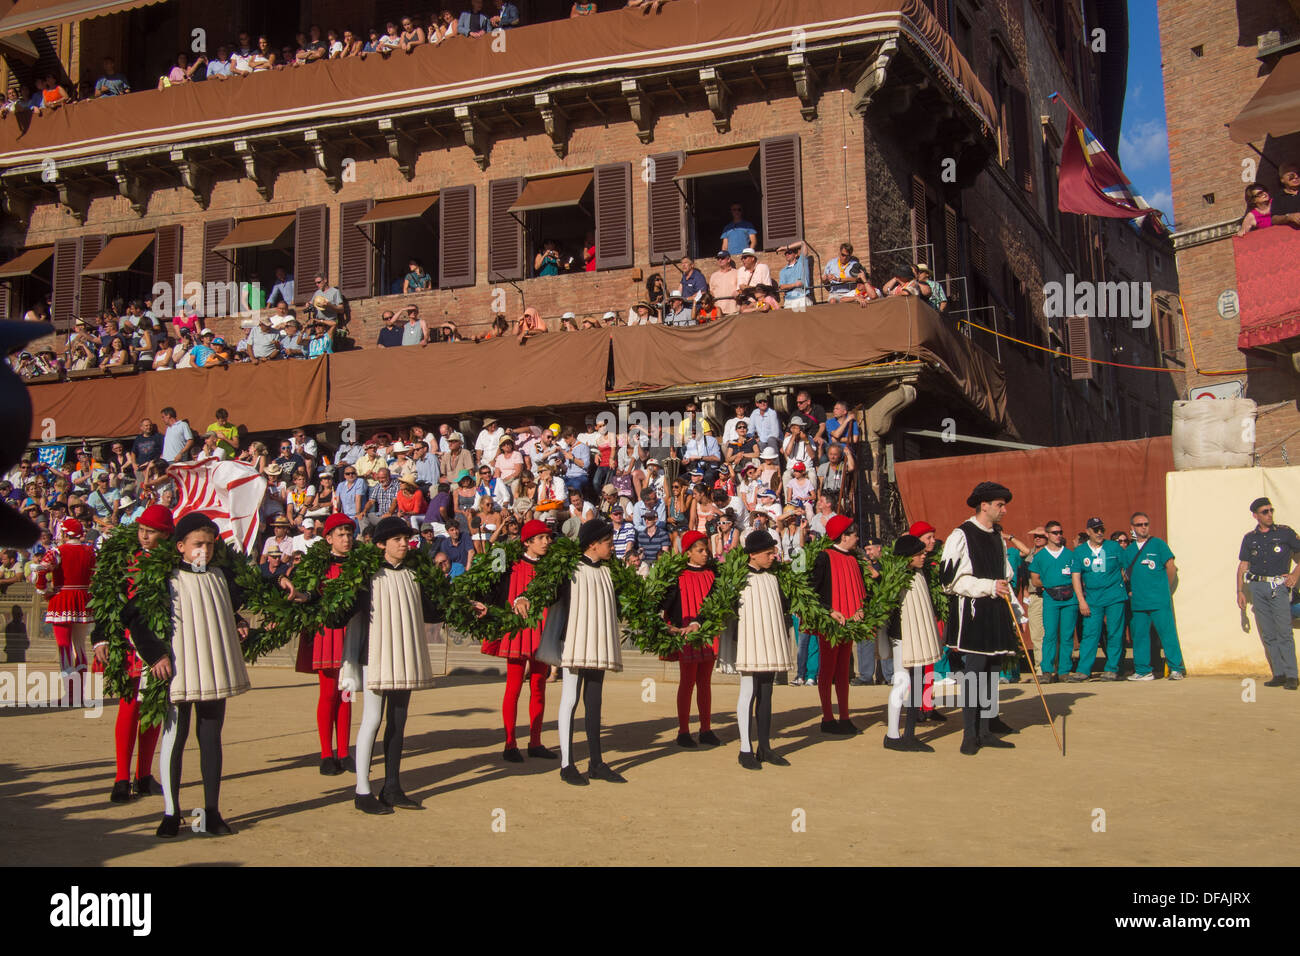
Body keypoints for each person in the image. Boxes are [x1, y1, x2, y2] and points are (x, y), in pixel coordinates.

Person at [121, 513, 290, 837]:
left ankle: (210, 813)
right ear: (181, 546)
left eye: (210, 544)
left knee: (211, 738)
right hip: (179, 669)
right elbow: (136, 618)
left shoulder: (219, 575)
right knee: (175, 737)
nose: (206, 550)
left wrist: (277, 580)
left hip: (212, 666)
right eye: (198, 544)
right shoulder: (164, 577)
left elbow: (250, 586)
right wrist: (155, 654)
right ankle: (172, 813)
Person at [330, 517, 445, 813]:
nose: (404, 544)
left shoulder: (415, 574)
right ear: (381, 544)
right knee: (371, 720)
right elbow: (338, 615)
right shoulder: (366, 576)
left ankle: (392, 787)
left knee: (398, 721)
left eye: (406, 538)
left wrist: (465, 604)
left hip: (404, 656)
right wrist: (313, 598)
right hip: (374, 656)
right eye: (397, 539)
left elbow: (432, 613)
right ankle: (362, 790)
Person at [527, 520, 627, 784]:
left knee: (594, 702)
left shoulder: (609, 571)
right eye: (607, 542)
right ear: (593, 544)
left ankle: (597, 763)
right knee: (569, 699)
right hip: (573, 643)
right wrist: (522, 599)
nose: (611, 546)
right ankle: (567, 763)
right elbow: (544, 594)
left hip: (599, 644)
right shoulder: (569, 569)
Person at [938, 482, 1021, 756]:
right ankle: (969, 735)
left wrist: (1009, 597)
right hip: (973, 615)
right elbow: (948, 581)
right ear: (983, 505)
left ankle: (986, 731)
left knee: (992, 675)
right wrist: (987, 586)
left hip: (996, 612)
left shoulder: (997, 536)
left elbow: (1005, 573)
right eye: (999, 505)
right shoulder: (960, 535)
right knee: (974, 675)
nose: (1004, 510)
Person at [474, 520, 558, 761]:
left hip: (542, 629)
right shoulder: (508, 561)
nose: (547, 542)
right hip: (516, 630)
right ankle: (510, 743)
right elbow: (493, 586)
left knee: (539, 687)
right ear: (527, 542)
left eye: (548, 537)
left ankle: (536, 741)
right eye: (541, 538)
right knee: (514, 687)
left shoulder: (553, 566)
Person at [291, 515, 362, 775]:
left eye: (349, 534)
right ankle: (325, 753)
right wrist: (300, 595)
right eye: (340, 535)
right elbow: (310, 592)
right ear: (329, 538)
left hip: (351, 634)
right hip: (327, 634)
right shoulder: (318, 565)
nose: (346, 539)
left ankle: (344, 751)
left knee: (347, 695)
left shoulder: (360, 565)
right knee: (329, 694)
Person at [723, 529, 793, 769]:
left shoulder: (775, 578)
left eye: (773, 552)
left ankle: (765, 747)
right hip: (750, 642)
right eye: (768, 553)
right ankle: (745, 749)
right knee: (748, 692)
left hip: (770, 642)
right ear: (752, 555)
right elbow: (724, 608)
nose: (773, 556)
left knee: (766, 693)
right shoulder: (739, 578)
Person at [660, 530, 723, 748]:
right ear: (688, 553)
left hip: (708, 634)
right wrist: (669, 626)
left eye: (706, 549)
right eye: (700, 550)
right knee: (687, 682)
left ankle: (706, 729)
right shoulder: (676, 576)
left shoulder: (714, 574)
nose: (705, 553)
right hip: (685, 635)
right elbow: (665, 605)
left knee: (705, 683)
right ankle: (684, 731)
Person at [884, 534, 945, 752]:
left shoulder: (920, 572)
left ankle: (909, 733)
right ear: (907, 557)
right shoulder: (896, 576)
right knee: (901, 683)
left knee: (917, 683)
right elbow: (887, 608)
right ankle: (892, 734)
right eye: (918, 554)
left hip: (917, 634)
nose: (922, 556)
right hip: (902, 636)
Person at [1237, 497, 1300, 689]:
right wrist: (1240, 590)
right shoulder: (1250, 538)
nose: (1269, 514)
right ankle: (1279, 673)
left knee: (1284, 632)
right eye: (1265, 512)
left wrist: (1294, 575)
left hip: (1277, 587)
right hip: (1257, 587)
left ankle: (1292, 675)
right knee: (1269, 633)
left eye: (1271, 510)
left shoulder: (1285, 533)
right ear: (1256, 515)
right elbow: (1243, 565)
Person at [810, 515, 865, 734]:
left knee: (844, 670)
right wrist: (830, 611)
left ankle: (844, 716)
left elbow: (860, 590)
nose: (857, 538)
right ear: (844, 536)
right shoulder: (824, 557)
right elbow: (813, 591)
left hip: (849, 622)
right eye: (854, 534)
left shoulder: (854, 559)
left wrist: (860, 608)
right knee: (828, 668)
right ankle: (827, 717)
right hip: (830, 622)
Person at [34, 517, 96, 705]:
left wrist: (43, 589)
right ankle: (79, 693)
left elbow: (41, 569)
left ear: (64, 533)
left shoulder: (58, 551)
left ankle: (69, 694)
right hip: (83, 599)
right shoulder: (90, 551)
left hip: (62, 598)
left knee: (64, 647)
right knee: (80, 647)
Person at [1124, 511, 1185, 681]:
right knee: (1140, 636)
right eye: (1139, 524)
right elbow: (1125, 574)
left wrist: (1165, 589)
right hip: (1139, 602)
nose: (1143, 527)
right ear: (1132, 528)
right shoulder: (1128, 551)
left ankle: (1176, 668)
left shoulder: (1158, 544)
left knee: (1168, 634)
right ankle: (1143, 670)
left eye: (1146, 524)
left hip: (1159, 600)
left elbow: (1171, 567)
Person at [1070, 517, 1128, 681]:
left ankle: (1112, 669)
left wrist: (1121, 582)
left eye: (1102, 529)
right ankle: (1083, 670)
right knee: (1090, 633)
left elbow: (1127, 566)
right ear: (1088, 532)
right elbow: (1076, 577)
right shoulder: (1080, 552)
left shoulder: (1114, 547)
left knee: (1114, 633)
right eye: (1096, 530)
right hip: (1093, 599)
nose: (1100, 533)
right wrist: (1081, 600)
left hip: (1114, 597)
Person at [1028, 519, 1076, 682]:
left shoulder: (1070, 554)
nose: (1058, 535)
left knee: (1067, 635)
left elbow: (1077, 576)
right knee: (1050, 635)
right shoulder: (1040, 556)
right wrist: (1051, 584)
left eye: (1060, 532)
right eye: (1055, 533)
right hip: (1050, 598)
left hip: (1070, 597)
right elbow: (1035, 580)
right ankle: (1047, 671)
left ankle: (1064, 671)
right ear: (1047, 535)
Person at [777, 241, 812, 308]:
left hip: (802, 297)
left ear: (795, 254)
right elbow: (782, 286)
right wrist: (795, 284)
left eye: (789, 252)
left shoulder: (802, 262)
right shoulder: (783, 271)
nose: (787, 254)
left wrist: (785, 247)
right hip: (789, 300)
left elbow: (803, 243)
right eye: (786, 253)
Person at [709, 251, 740, 316]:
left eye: (722, 258)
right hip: (717, 313)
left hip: (733, 310)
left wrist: (738, 292)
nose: (720, 260)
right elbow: (711, 292)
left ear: (728, 259)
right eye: (718, 258)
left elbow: (741, 289)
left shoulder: (737, 273)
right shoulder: (713, 276)